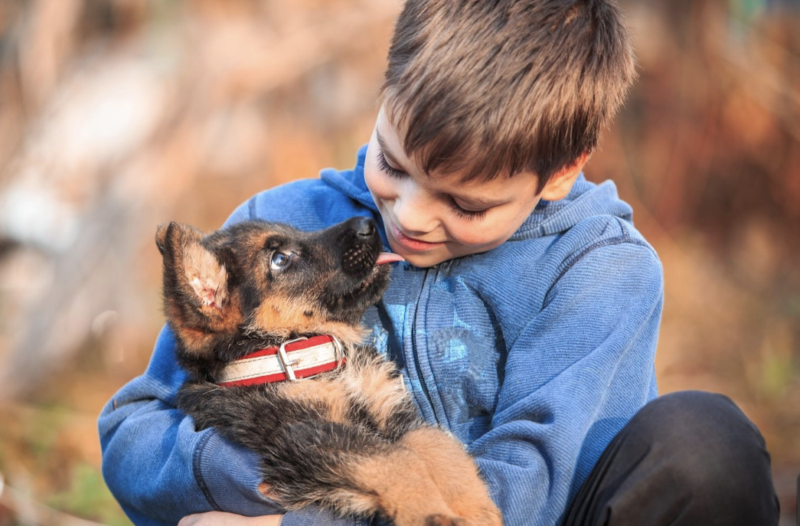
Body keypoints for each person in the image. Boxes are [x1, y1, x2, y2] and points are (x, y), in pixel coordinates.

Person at [99, 0, 780, 525]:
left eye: (466, 203)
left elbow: (531, 479)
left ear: (559, 174)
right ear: (384, 95)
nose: (411, 216)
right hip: (322, 489)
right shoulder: (280, 225)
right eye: (393, 164)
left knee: (705, 445)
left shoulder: (600, 271)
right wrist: (260, 469)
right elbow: (135, 430)